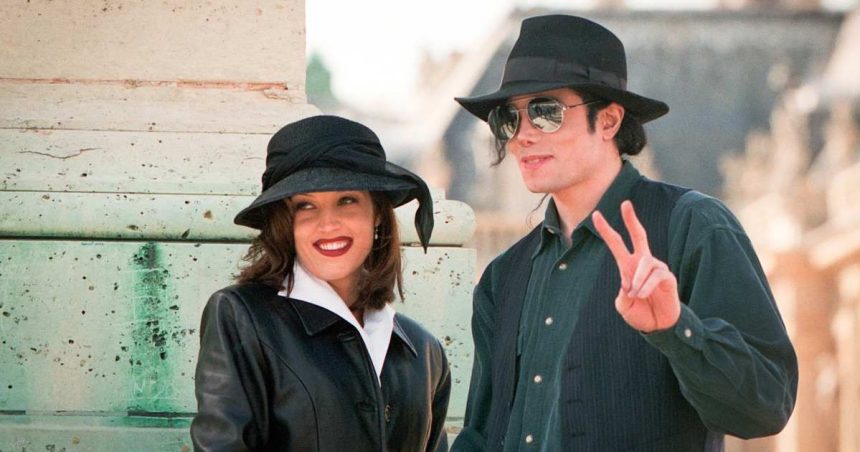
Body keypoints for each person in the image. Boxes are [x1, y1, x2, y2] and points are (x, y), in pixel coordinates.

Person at [450, 14, 798, 451]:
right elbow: (482, 435)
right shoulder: (503, 277)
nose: (522, 136)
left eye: (545, 112)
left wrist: (677, 328)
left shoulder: (694, 226)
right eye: (508, 119)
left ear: (610, 121)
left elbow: (767, 406)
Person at [190, 115, 451, 451]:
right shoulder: (243, 317)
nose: (328, 224)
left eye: (347, 200)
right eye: (306, 205)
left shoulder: (425, 352)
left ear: (377, 214)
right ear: (286, 222)